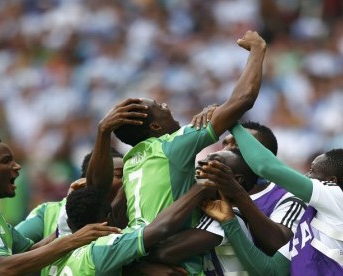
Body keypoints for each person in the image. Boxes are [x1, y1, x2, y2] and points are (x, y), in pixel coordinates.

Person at [113, 31, 267, 230]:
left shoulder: (130, 161)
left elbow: (117, 214)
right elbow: (243, 100)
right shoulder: (171, 146)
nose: (166, 105)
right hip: (173, 252)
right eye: (159, 107)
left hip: (135, 246)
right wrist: (257, 49)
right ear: (155, 127)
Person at [200, 123, 343, 275]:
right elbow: (269, 272)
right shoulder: (308, 226)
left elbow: (266, 167)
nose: (306, 175)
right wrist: (229, 221)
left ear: (332, 181)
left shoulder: (342, 198)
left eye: (312, 171)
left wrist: (232, 122)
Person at [0, 130, 121, 275]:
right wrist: (73, 241)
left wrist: (69, 211)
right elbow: (2, 267)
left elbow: (29, 251)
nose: (17, 166)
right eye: (6, 161)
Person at [49, 150, 250, 275]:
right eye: (201, 163)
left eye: (212, 166)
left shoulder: (57, 253)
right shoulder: (101, 249)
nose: (200, 169)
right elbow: (158, 236)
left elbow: (163, 250)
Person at [149, 122, 306, 275]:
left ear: (263, 157)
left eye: (238, 146)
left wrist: (238, 195)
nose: (228, 150)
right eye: (225, 144)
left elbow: (280, 246)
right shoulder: (205, 193)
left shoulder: (287, 198)